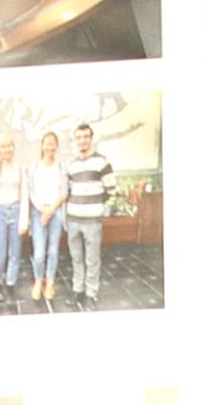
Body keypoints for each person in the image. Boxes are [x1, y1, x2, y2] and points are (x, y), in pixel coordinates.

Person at [63, 122, 115, 304]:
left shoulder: (102, 162)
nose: (82, 140)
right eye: (79, 137)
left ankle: (91, 293)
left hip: (92, 221)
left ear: (91, 138)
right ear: (75, 140)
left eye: (85, 137)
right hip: (73, 219)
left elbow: (111, 190)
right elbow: (69, 190)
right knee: (76, 257)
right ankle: (77, 289)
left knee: (92, 259)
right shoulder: (71, 165)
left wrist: (95, 206)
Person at [24, 128, 68, 310]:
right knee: (39, 251)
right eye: (47, 144)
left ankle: (50, 282)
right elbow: (31, 192)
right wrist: (43, 209)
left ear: (56, 146)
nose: (50, 147)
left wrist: (50, 210)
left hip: (55, 212)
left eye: (53, 144)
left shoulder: (61, 168)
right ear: (42, 146)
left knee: (53, 249)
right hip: (38, 212)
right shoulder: (34, 168)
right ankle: (38, 281)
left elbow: (63, 192)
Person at [0, 132, 26, 310]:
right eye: (3, 146)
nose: (7, 149)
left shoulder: (20, 168)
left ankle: (10, 283)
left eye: (9, 146)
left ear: (13, 148)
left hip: (15, 210)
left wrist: (23, 219)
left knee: (15, 252)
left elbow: (24, 194)